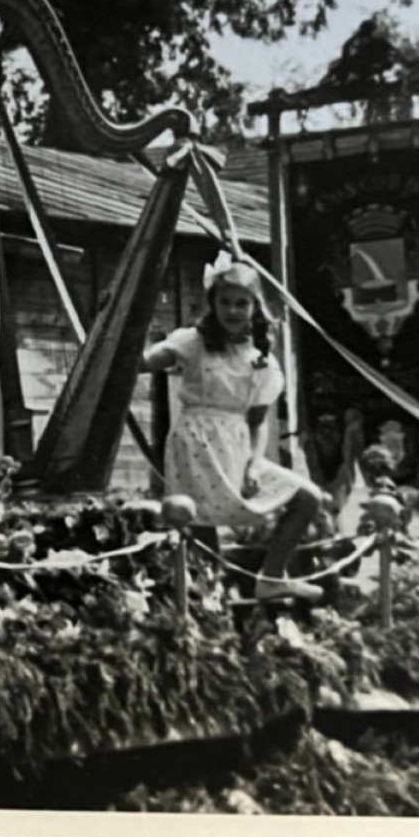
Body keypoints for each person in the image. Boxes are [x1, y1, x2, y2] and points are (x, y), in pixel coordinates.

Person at [142, 252, 324, 602]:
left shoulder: (262, 361)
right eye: (225, 302)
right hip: (194, 442)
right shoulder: (192, 343)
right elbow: (147, 362)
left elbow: (257, 424)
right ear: (213, 303)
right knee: (202, 527)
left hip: (237, 447)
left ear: (255, 308)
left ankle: (271, 576)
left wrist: (255, 463)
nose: (233, 311)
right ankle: (212, 604)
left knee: (307, 498)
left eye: (242, 303)